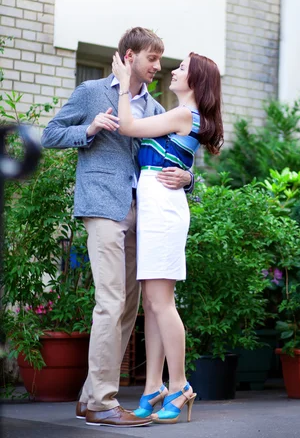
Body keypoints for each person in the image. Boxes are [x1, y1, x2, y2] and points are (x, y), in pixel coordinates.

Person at [41, 27, 193, 428]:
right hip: (103, 207)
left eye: (161, 60)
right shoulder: (92, 91)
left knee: (127, 306)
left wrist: (189, 180)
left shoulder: (158, 108)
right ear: (129, 57)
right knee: (110, 301)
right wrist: (88, 129)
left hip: (142, 213)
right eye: (152, 59)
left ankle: (90, 395)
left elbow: (182, 161)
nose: (159, 67)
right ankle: (104, 403)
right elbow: (50, 134)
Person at [111, 49, 223, 424]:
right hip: (157, 207)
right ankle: (152, 387)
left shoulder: (181, 114)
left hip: (163, 212)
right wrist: (189, 176)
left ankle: (179, 385)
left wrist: (125, 85)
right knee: (153, 304)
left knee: (162, 303)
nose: (174, 71)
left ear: (195, 81)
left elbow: (127, 126)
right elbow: (179, 160)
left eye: (182, 69)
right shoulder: (182, 115)